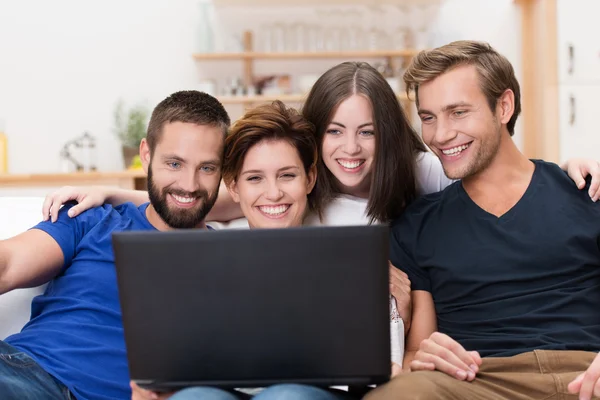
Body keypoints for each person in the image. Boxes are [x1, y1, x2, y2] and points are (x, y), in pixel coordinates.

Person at [39, 62, 599, 346]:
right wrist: (117, 194)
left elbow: (489, 177)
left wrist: (566, 169)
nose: (350, 150)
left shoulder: (423, 173)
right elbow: (204, 200)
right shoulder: (300, 189)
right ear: (315, 142)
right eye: (334, 132)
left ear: (392, 135)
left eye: (367, 132)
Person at [364, 40, 600, 400]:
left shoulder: (587, 192)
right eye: (428, 118)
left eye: (458, 112)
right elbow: (417, 353)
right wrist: (424, 358)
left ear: (504, 106)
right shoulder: (417, 226)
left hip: (589, 369)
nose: (440, 135)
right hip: (481, 382)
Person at [0, 90, 231, 399]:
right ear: (146, 154)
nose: (189, 185)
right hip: (30, 375)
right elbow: (9, 263)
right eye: (174, 164)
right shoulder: (92, 219)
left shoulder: (233, 260)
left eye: (206, 168)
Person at [132, 101, 355, 400]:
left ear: (309, 179)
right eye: (254, 178)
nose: (273, 193)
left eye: (287, 175)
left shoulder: (345, 260)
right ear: (233, 187)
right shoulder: (200, 264)